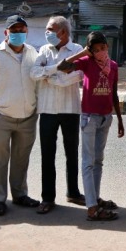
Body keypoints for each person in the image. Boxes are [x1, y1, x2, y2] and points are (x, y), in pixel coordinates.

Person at [58, 31, 125, 221]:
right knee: (88, 162)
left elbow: (113, 94)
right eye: (95, 50)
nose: (100, 52)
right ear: (90, 51)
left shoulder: (112, 65)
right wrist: (83, 54)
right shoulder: (86, 63)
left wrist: (119, 119)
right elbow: (63, 67)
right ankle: (92, 208)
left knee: (98, 161)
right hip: (89, 118)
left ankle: (94, 198)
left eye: (103, 48)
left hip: (105, 117)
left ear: (107, 47)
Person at [0, 15, 40, 216]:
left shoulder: (33, 53)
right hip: (1, 116)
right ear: (6, 33)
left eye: (21, 29)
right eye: (13, 30)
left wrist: (35, 108)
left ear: (27, 31)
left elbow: (38, 81)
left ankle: (20, 194)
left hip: (28, 117)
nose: (17, 33)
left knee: (21, 159)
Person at [30, 16, 86, 214]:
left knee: (72, 152)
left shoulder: (77, 50)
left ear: (63, 32)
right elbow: (34, 73)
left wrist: (52, 79)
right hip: (47, 110)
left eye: (51, 29)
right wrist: (55, 69)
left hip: (70, 109)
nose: (48, 33)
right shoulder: (45, 50)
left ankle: (73, 191)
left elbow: (78, 75)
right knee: (47, 155)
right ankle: (48, 198)